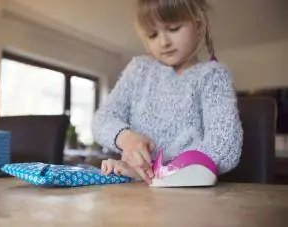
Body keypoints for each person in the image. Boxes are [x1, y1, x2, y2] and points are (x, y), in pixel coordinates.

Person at [92, 0, 243, 184]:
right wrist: (125, 138)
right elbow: (102, 120)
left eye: (173, 28)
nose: (164, 42)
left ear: (198, 25)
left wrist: (156, 172)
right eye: (153, 34)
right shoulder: (139, 70)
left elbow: (224, 148)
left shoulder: (213, 76)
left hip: (187, 196)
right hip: (136, 197)